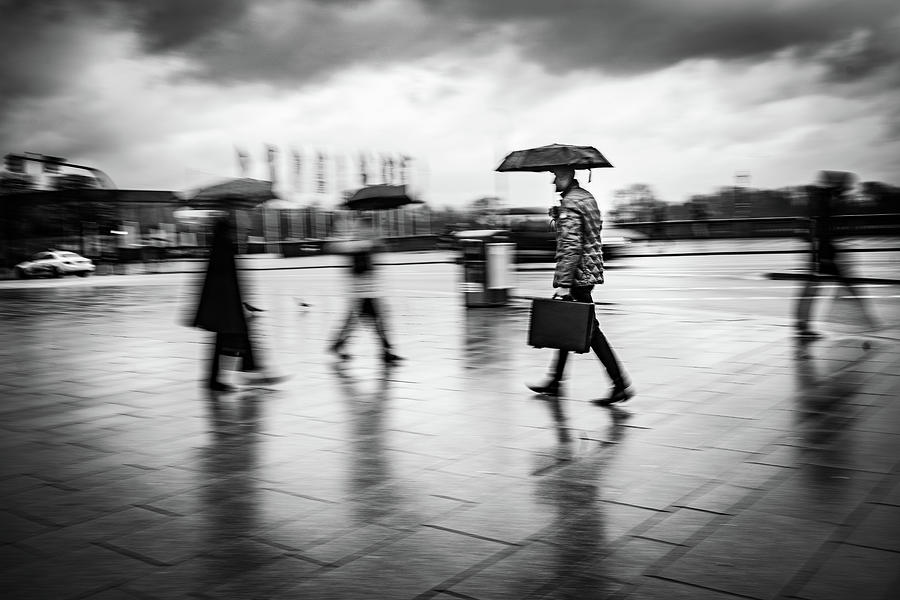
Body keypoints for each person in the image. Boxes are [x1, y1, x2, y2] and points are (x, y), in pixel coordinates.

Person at [528, 167, 633, 405]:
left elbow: (571, 247)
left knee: (589, 331)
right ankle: (555, 381)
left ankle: (620, 384)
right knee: (570, 325)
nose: (553, 180)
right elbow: (590, 230)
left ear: (566, 177)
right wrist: (560, 214)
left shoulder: (571, 205)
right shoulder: (585, 197)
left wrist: (564, 283)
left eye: (556, 175)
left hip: (577, 276)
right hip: (588, 270)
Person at [192, 217, 280, 391]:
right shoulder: (224, 246)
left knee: (226, 340)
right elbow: (229, 280)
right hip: (226, 305)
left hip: (222, 305)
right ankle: (247, 372)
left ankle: (235, 374)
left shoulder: (219, 245)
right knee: (235, 338)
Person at [794, 170, 877, 339]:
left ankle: (803, 324)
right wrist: (823, 254)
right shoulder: (826, 200)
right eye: (845, 187)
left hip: (819, 250)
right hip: (822, 251)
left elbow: (816, 226)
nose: (847, 190)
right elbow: (823, 227)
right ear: (838, 185)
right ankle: (865, 319)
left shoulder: (820, 197)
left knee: (813, 287)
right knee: (832, 284)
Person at [329, 215, 403, 365]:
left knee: (371, 322)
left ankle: (339, 345)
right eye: (367, 226)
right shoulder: (356, 244)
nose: (370, 230)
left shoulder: (368, 244)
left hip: (369, 292)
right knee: (375, 322)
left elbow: (380, 252)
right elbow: (335, 248)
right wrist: (365, 245)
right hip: (361, 293)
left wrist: (373, 245)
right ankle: (385, 351)